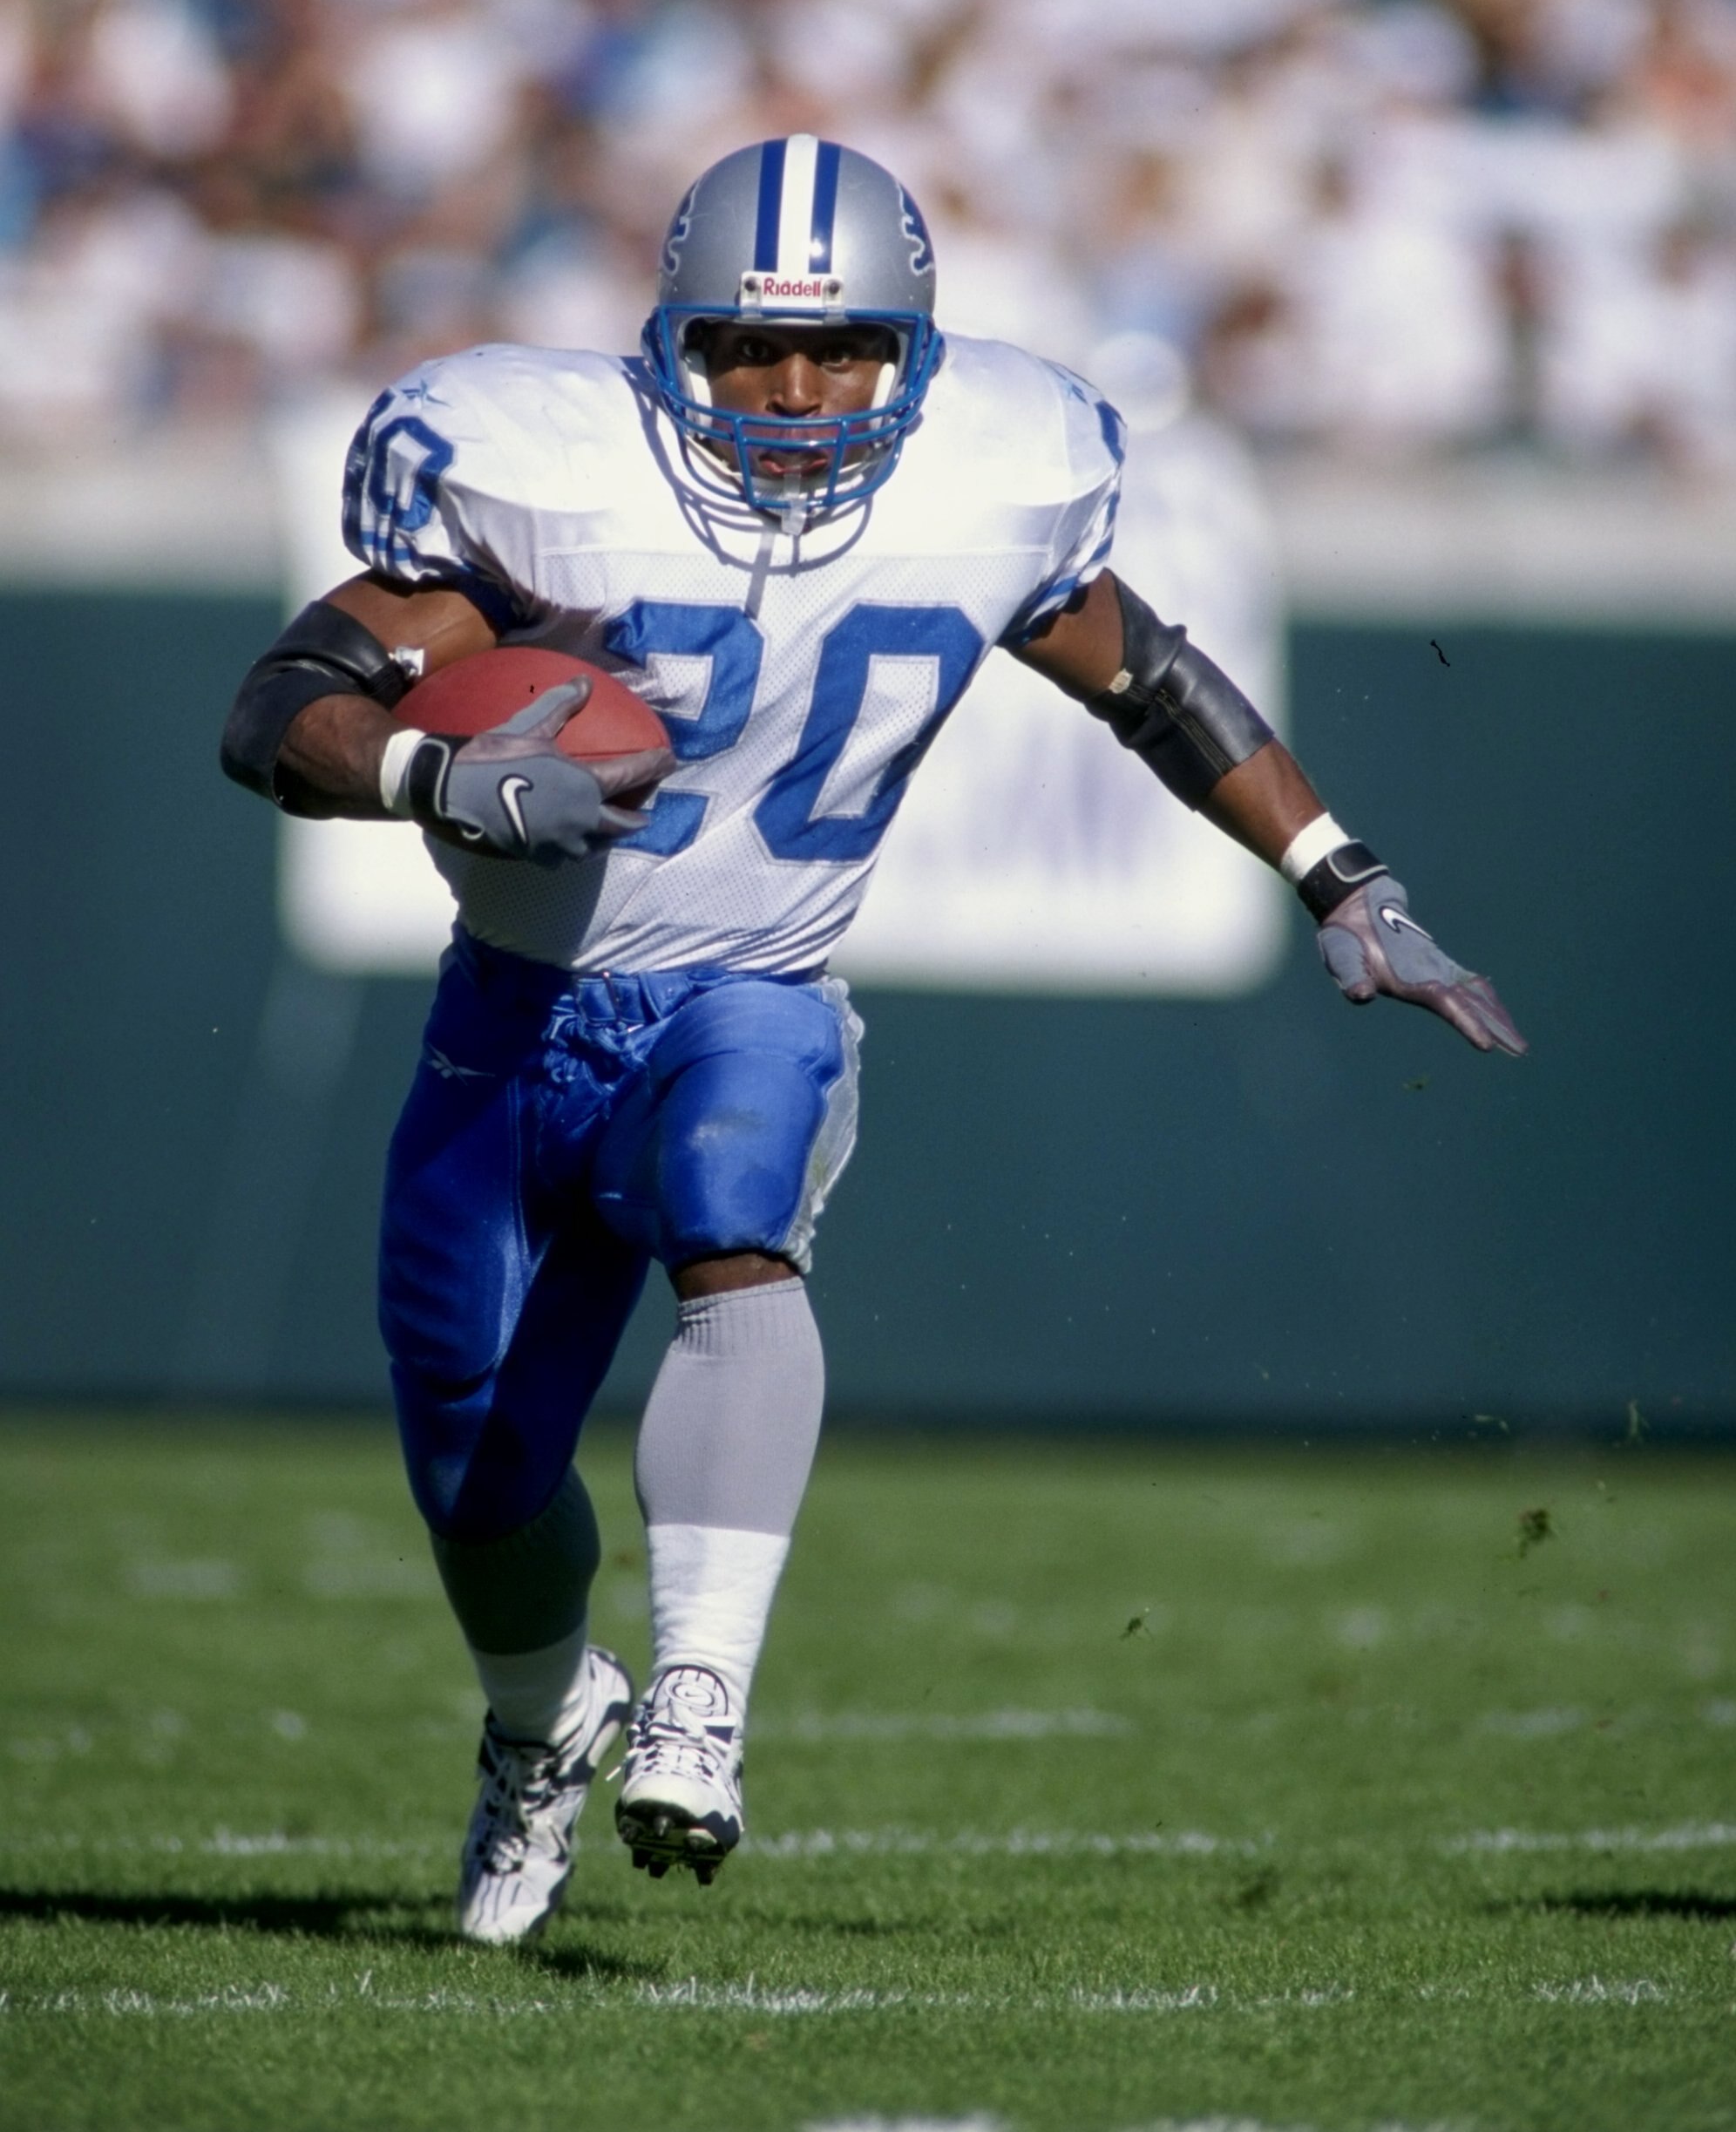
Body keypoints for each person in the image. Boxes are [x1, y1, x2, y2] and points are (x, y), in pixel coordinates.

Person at [220, 134, 1524, 1944]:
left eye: (845, 351)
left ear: (916, 355)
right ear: (676, 345)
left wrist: (1338, 873)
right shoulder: (554, 486)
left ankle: (701, 1695)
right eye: (754, 351)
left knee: (733, 1202)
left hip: (757, 987)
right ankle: (542, 1728)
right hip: (516, 1020)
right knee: (476, 1463)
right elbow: (279, 709)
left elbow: (1145, 673)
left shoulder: (995, 482)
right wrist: (447, 773)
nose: (800, 392)